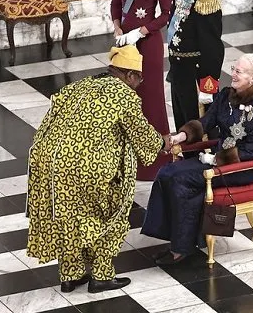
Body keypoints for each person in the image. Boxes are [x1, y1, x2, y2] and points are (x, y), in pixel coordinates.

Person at [26, 45, 172, 293]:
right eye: (139, 78)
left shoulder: (80, 86)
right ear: (129, 75)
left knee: (69, 218)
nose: (139, 83)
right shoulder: (123, 94)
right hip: (85, 167)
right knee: (111, 213)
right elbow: (141, 134)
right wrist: (162, 143)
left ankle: (72, 275)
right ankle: (101, 276)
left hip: (47, 162)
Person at [141, 54, 253, 265]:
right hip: (215, 160)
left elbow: (252, 153)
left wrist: (216, 160)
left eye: (239, 71)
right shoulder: (225, 96)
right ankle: (178, 241)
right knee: (167, 172)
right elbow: (207, 121)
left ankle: (181, 248)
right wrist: (181, 136)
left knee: (181, 180)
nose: (234, 74)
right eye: (234, 69)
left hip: (239, 168)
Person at [111, 0, 171, 180]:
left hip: (148, 45)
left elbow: (166, 14)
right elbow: (115, 2)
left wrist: (141, 32)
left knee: (150, 97)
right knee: (125, 98)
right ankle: (126, 157)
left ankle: (155, 161)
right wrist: (117, 28)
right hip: (124, 43)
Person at [165, 0, 225, 130]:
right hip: (179, 73)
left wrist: (208, 86)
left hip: (196, 77)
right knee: (182, 124)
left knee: (198, 131)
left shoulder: (204, 0)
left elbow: (213, 48)